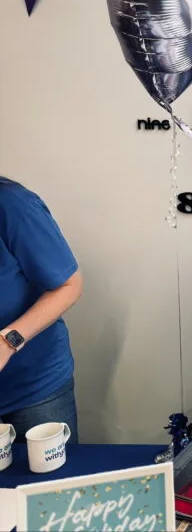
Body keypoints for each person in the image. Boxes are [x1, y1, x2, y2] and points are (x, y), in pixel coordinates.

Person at [0, 177, 83, 442]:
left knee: (51, 483)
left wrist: (7, 341)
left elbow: (69, 285)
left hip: (33, 391)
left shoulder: (12, 204)